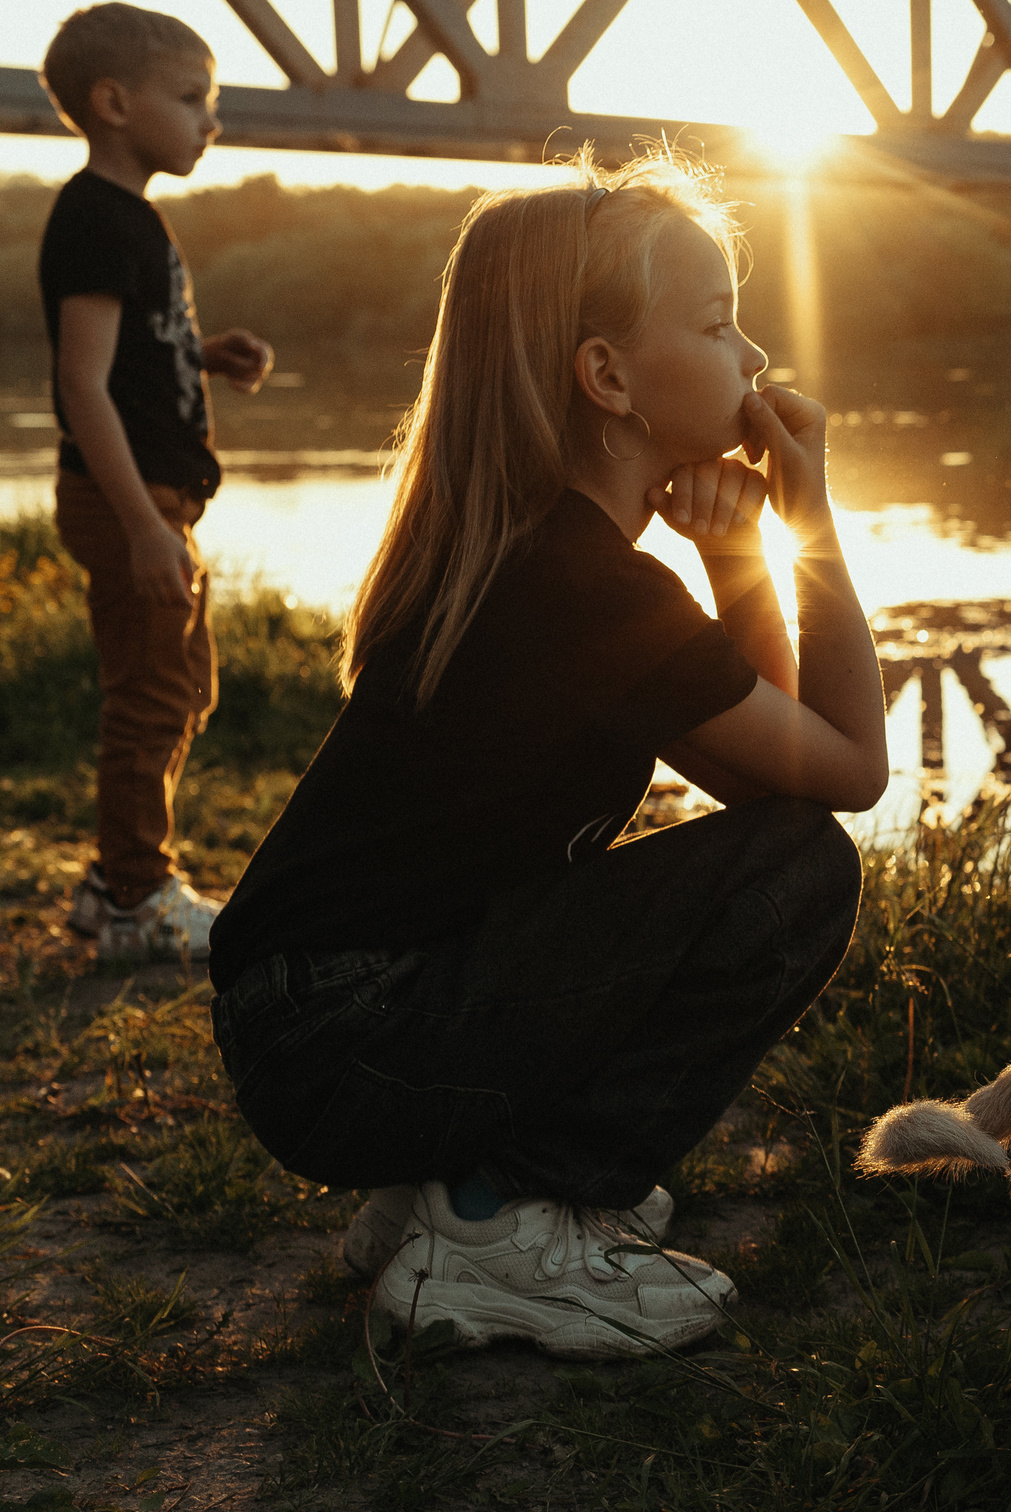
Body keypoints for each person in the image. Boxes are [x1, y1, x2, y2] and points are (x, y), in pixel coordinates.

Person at [205, 145, 890, 1360]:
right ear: (608, 376)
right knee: (804, 873)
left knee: (769, 847)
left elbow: (766, 772)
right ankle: (504, 1215)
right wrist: (810, 519)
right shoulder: (584, 590)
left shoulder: (533, 554)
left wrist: (736, 563)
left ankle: (445, 1184)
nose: (756, 360)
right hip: (353, 1040)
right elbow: (842, 780)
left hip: (316, 1033)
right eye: (722, 323)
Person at [38, 4, 274, 960]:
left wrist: (202, 353)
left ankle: (116, 882)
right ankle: (136, 893)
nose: (210, 119)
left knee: (181, 687)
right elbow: (81, 384)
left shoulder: (128, 219)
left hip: (156, 501)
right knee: (150, 694)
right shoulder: (97, 220)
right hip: (131, 501)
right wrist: (141, 527)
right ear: (113, 103)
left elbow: (130, 351)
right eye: (192, 98)